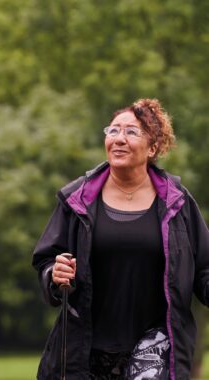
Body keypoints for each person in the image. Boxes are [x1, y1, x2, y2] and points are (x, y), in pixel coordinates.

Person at [32, 98, 209, 380]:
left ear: (152, 148)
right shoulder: (77, 199)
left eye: (131, 132)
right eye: (113, 131)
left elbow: (204, 267)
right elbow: (45, 260)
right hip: (86, 346)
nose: (119, 139)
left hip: (155, 347)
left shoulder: (177, 202)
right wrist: (55, 273)